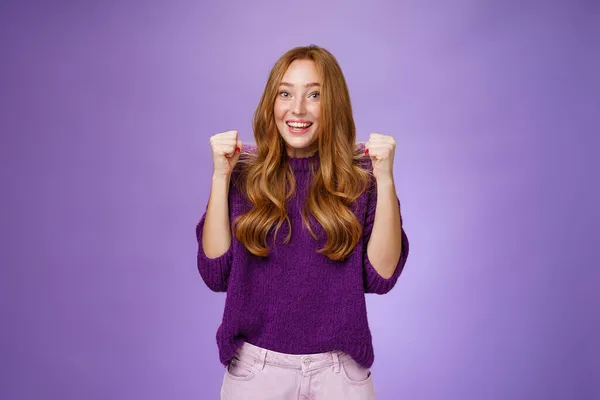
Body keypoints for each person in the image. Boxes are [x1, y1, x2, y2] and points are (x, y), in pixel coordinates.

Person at [196, 45, 410, 400]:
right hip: (255, 375)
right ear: (272, 103)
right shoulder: (242, 173)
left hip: (341, 376)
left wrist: (385, 178)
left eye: (314, 95)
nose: (297, 109)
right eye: (285, 93)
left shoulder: (362, 177)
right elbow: (215, 274)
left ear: (334, 105)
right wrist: (220, 176)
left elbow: (382, 277)